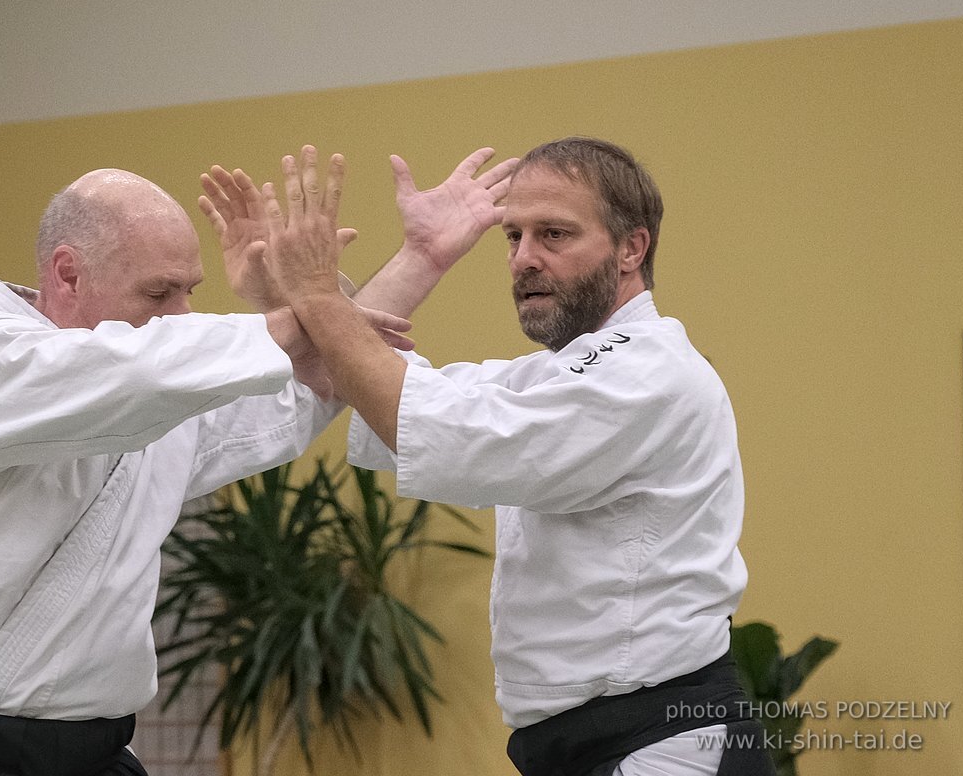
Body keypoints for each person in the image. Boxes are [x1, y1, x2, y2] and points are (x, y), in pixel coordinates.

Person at [0, 167, 423, 776]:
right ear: (68, 274)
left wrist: (420, 257)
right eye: (159, 295)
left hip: (95, 757)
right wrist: (310, 306)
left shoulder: (152, 399)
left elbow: (308, 389)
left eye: (190, 290)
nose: (182, 317)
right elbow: (132, 372)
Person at [250, 138, 774, 775]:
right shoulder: (555, 376)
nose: (525, 258)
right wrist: (420, 257)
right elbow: (383, 385)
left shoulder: (649, 374)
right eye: (513, 236)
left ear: (631, 248)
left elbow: (450, 434)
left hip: (661, 737)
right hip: (571, 744)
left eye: (554, 234)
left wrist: (316, 297)